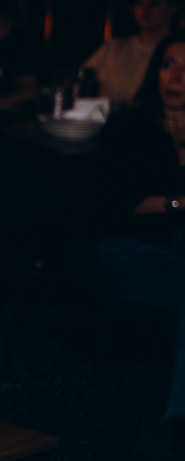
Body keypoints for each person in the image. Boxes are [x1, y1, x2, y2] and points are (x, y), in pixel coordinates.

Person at [94, 31, 185, 426]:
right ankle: (179, 422)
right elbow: (121, 205)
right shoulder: (130, 126)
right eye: (168, 65)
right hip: (124, 248)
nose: (176, 77)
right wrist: (179, 203)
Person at [84, 0, 180, 105]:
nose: (145, 9)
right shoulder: (112, 49)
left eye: (154, 3)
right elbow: (81, 80)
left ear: (172, 8)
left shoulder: (176, 54)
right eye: (139, 2)